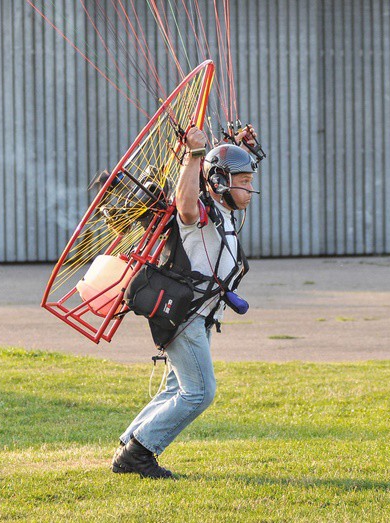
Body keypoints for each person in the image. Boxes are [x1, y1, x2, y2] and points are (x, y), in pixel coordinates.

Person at [111, 125, 260, 479]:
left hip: (201, 314)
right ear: (222, 182)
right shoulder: (199, 214)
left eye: (250, 180)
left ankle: (131, 442)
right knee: (200, 392)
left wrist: (238, 146)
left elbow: (221, 170)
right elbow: (187, 206)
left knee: (179, 387)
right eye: (244, 181)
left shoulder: (223, 207)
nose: (250, 188)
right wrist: (194, 154)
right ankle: (139, 454)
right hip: (185, 315)